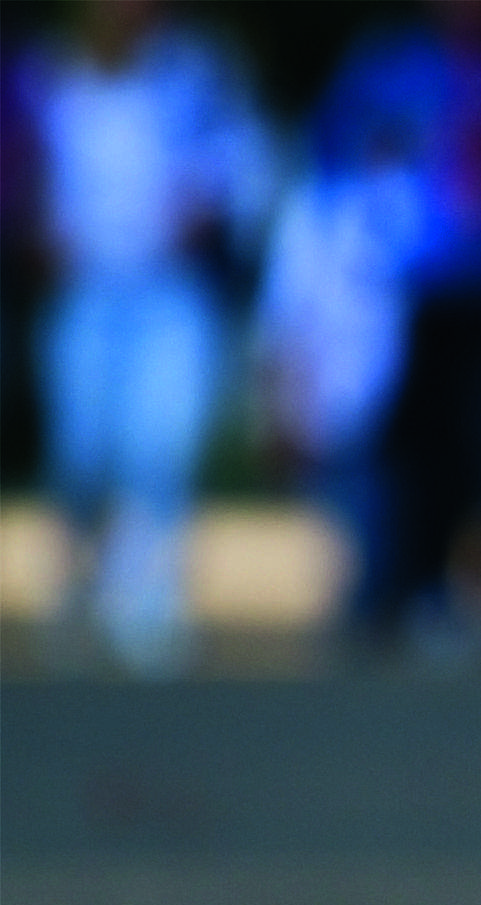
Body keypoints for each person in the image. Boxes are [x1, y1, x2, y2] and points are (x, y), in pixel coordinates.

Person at [14, 0, 267, 676]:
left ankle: (149, 605)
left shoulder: (198, 75)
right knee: (83, 449)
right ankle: (76, 582)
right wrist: (36, 234)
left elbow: (245, 165)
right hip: (87, 293)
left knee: (160, 446)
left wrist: (207, 207)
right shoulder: (49, 77)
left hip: (169, 292)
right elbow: (21, 173)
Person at [312, 0, 481, 660]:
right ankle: (393, 588)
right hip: (409, 293)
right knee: (405, 450)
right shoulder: (390, 71)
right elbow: (334, 169)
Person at [252, 143, 426, 649]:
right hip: (338, 395)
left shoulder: (418, 196)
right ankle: (368, 606)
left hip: (406, 393)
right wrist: (283, 405)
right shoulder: (317, 207)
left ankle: (390, 602)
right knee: (351, 511)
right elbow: (287, 317)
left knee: (392, 503)